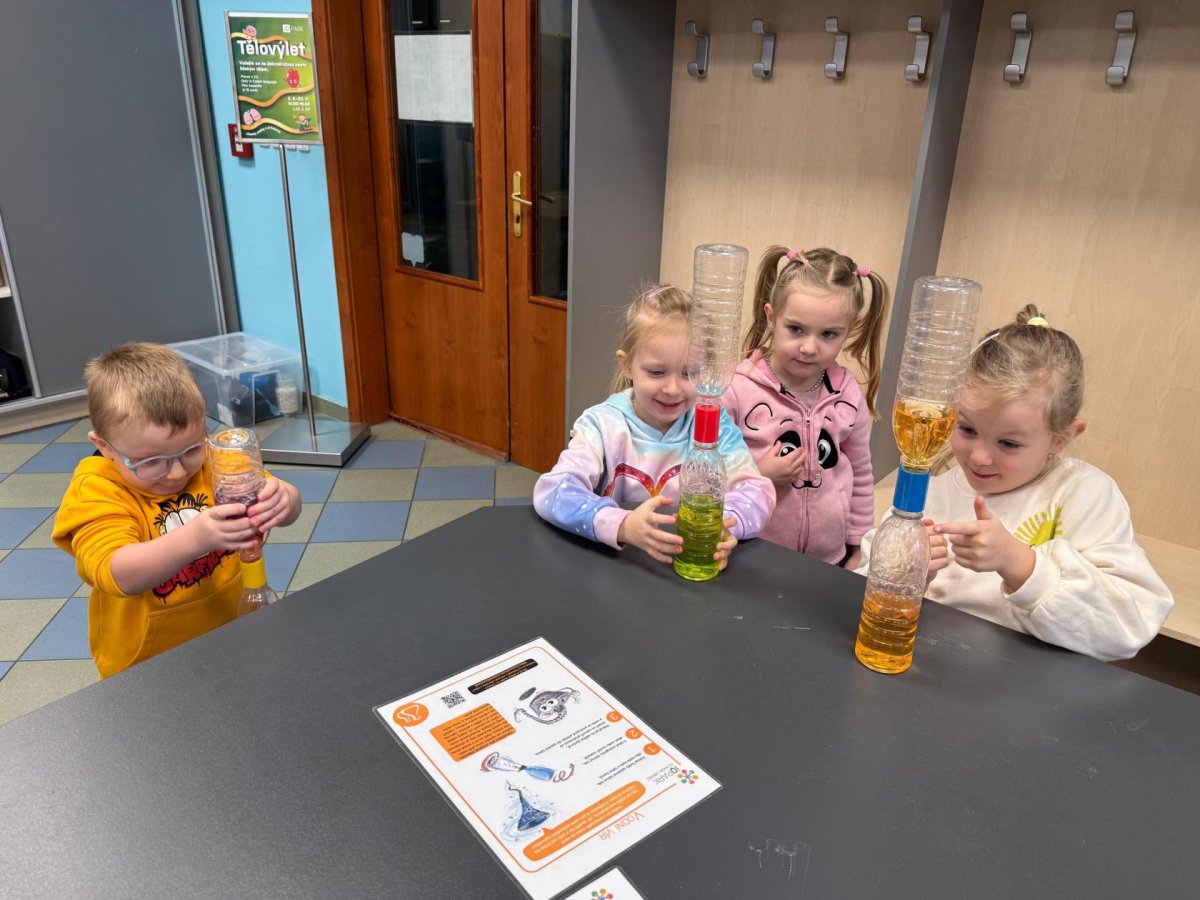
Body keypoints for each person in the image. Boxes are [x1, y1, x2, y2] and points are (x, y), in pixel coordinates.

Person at [860, 306, 1173, 661]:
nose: (979, 457)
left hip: (1033, 683)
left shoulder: (1085, 495)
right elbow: (860, 586)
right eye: (967, 429)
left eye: (1008, 443)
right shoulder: (931, 492)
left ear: (1062, 438)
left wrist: (1023, 566)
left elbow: (1130, 626)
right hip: (933, 668)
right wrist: (904, 574)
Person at [52, 343, 302, 677]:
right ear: (104, 446)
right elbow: (116, 573)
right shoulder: (97, 490)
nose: (177, 472)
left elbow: (286, 503)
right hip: (146, 665)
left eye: (191, 450)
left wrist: (284, 500)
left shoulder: (214, 461)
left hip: (231, 634)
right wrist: (195, 538)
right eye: (152, 461)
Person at [534, 284, 775, 567]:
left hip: (687, 568)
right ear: (627, 365)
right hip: (619, 566)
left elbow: (757, 491)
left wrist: (725, 523)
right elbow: (554, 491)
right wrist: (622, 525)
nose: (672, 389)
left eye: (689, 373)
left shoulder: (713, 424)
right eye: (657, 372)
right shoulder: (602, 425)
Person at [723, 246, 889, 568]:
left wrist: (859, 543)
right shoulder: (737, 389)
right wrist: (758, 474)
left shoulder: (847, 392)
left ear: (851, 328)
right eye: (796, 329)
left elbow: (860, 471)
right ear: (772, 317)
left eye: (828, 334)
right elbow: (706, 468)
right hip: (751, 551)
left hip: (829, 558)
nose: (810, 347)